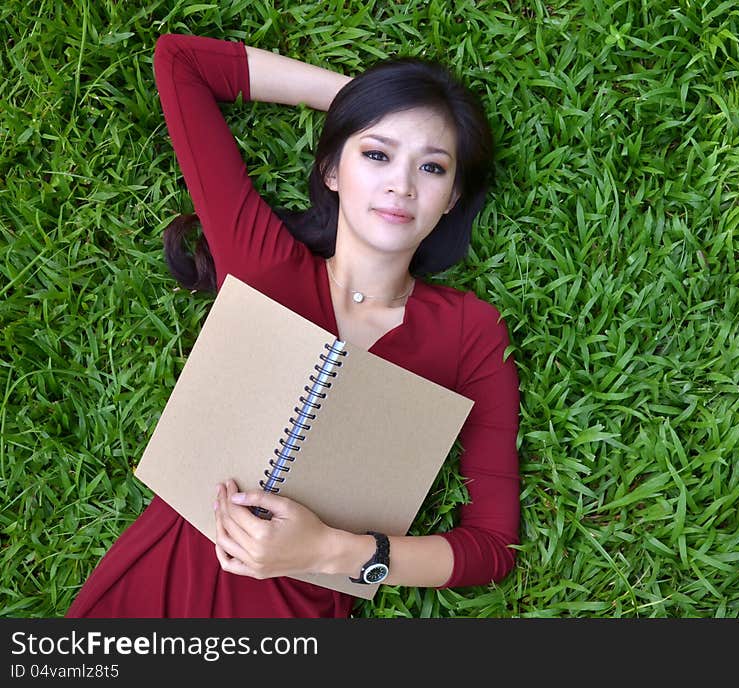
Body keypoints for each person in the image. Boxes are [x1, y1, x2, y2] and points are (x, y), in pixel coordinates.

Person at [66, 31, 520, 618]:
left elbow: (491, 547)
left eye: (431, 167)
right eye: (376, 154)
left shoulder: (469, 332)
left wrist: (336, 551)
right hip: (155, 586)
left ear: (452, 196)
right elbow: (180, 62)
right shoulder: (261, 264)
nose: (401, 185)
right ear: (332, 169)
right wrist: (360, 102)